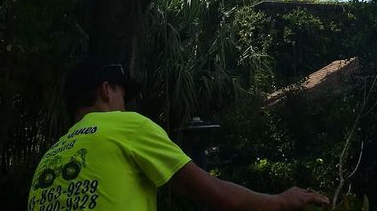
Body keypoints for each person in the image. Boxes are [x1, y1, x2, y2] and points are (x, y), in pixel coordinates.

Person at [28, 56, 330, 211]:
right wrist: (279, 201)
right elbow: (215, 195)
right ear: (106, 90)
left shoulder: (50, 157)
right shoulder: (127, 125)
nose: (126, 103)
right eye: (123, 93)